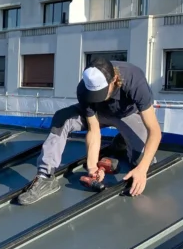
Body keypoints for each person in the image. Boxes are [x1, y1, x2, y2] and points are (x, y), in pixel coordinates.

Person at [18, 58, 162, 205]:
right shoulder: (84, 89)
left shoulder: (134, 79)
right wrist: (92, 166)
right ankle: (45, 176)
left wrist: (142, 169)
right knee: (62, 118)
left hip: (127, 117)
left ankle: (123, 141)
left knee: (143, 160)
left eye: (101, 94)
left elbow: (155, 131)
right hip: (99, 115)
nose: (97, 98)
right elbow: (94, 129)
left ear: (115, 80)